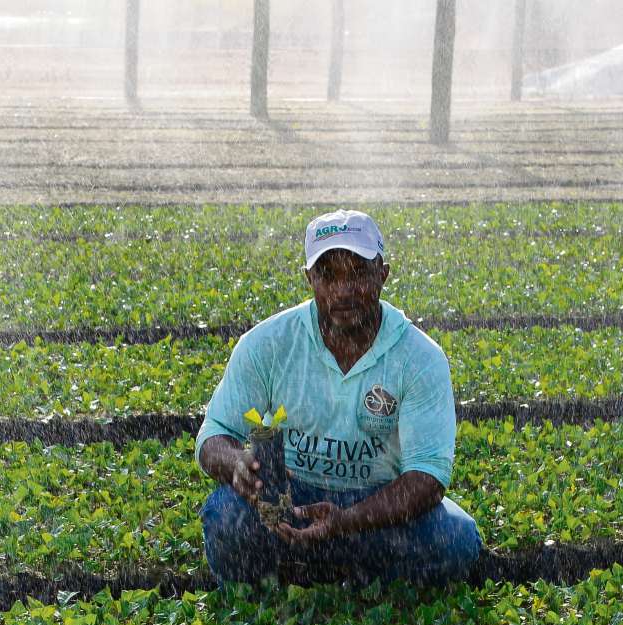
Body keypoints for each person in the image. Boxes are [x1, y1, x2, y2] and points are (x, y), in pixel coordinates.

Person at [195, 209, 482, 588]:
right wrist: (234, 463)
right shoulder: (268, 344)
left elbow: (427, 478)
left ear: (383, 274)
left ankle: (323, 564)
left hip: (377, 509)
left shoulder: (419, 358)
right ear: (309, 278)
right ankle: (339, 567)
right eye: (328, 275)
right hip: (290, 500)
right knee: (224, 517)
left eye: (359, 272)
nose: (344, 290)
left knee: (456, 540)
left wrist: (347, 521)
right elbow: (213, 434)